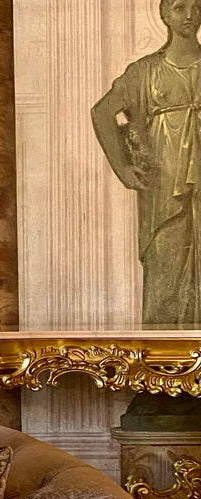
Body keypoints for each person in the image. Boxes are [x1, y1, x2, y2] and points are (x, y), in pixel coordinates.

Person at [91, 0, 200, 327]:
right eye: (180, 7)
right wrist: (123, 168)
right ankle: (164, 350)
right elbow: (102, 112)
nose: (191, 15)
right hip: (163, 188)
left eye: (197, 7)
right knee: (165, 264)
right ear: (164, 14)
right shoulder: (144, 72)